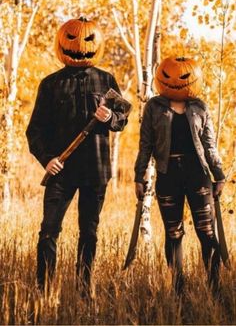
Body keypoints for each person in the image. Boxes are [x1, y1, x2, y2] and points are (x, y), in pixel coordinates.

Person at [26, 17, 129, 294]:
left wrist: (110, 117)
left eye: (87, 40)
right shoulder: (50, 84)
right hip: (61, 171)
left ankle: (84, 290)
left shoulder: (105, 79)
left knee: (89, 232)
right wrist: (47, 158)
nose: (79, 46)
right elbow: (34, 131)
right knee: (48, 231)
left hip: (95, 170)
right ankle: (44, 290)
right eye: (72, 39)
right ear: (62, 42)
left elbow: (123, 118)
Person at [134, 56, 225, 296]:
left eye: (183, 77)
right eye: (168, 75)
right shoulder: (154, 106)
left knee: (206, 231)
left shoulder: (200, 107)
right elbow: (145, 144)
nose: (175, 80)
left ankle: (215, 288)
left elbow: (209, 144)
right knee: (174, 232)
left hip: (198, 175)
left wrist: (219, 174)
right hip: (168, 174)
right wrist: (139, 175)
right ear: (160, 76)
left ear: (192, 79)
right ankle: (178, 290)